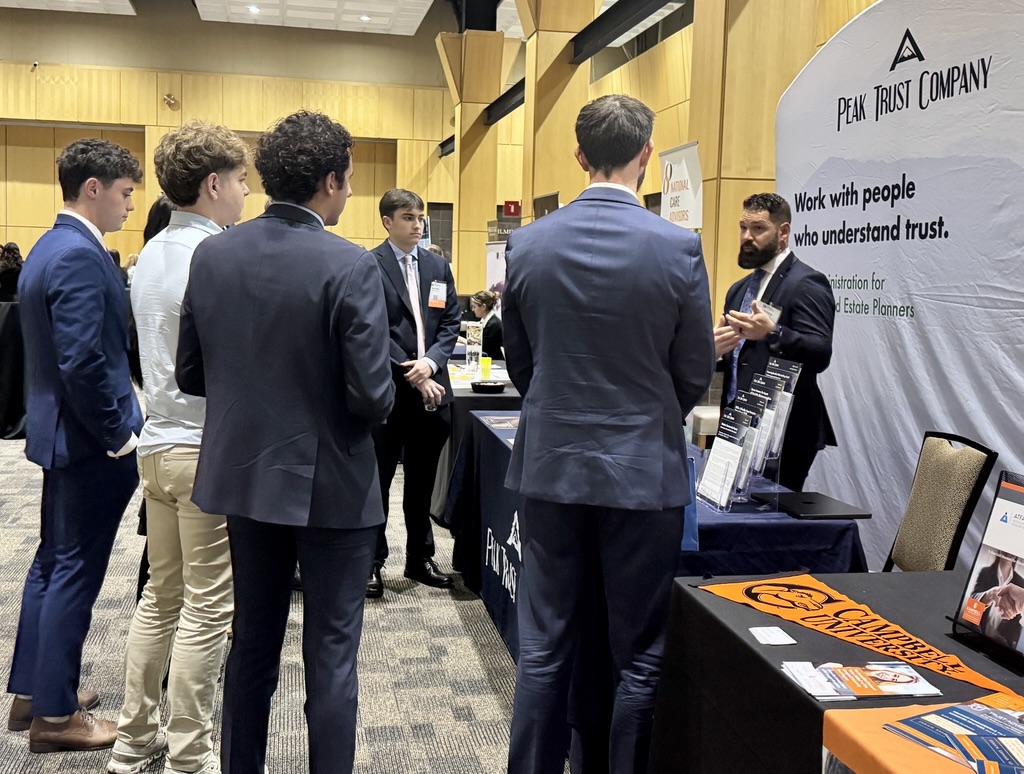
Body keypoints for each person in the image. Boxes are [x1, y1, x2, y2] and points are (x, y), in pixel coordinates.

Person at [175, 110, 394, 774]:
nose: (350, 190)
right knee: (331, 656)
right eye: (349, 178)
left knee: (251, 644)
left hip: (245, 478)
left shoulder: (213, 254)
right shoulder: (351, 264)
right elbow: (373, 397)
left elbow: (190, 374)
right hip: (335, 486)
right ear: (330, 181)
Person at [501, 94, 714, 774]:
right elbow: (693, 370)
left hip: (551, 465)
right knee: (640, 656)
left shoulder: (528, 243)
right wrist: (647, 416)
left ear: (578, 156)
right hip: (643, 471)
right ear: (647, 154)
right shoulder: (678, 246)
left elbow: (521, 362)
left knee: (543, 649)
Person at [107, 121, 250, 774]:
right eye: (241, 181)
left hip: (157, 443)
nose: (247, 193)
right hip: (202, 448)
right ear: (214, 184)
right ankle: (191, 755)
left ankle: (133, 739)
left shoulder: (149, 255)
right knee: (208, 606)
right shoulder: (217, 256)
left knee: (160, 597)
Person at [6, 139, 143, 752]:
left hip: (63, 434)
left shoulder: (49, 246)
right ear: (93, 188)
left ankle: (36, 692)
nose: (129, 205)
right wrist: (119, 435)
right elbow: (84, 361)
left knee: (53, 564)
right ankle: (57, 718)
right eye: (124, 193)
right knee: (73, 572)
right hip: (89, 442)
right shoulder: (80, 255)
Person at [368, 188, 461, 598]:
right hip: (389, 393)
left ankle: (419, 558)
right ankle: (372, 562)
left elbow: (451, 322)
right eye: (408, 217)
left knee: (421, 483)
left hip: (433, 393)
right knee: (378, 483)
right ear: (387, 222)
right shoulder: (370, 265)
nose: (418, 225)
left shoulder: (438, 266)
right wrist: (415, 372)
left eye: (420, 217)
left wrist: (432, 363)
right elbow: (372, 327)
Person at [715, 193, 836, 491]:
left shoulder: (807, 282)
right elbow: (740, 358)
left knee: (769, 517)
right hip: (738, 422)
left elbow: (820, 353)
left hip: (783, 434)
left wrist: (773, 333)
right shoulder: (739, 289)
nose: (747, 236)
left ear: (783, 232)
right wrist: (716, 350)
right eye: (743, 227)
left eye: (758, 228)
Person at [469, 289, 503, 361]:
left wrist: (461, 340)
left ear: (483, 307)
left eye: (474, 307)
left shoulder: (493, 324)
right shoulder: (486, 321)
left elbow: (482, 347)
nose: (473, 310)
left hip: (495, 362)